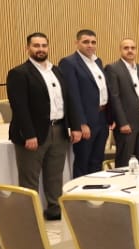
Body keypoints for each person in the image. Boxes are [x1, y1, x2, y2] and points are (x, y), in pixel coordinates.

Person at [6, 33, 82, 220]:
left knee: (55, 175)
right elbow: (20, 107)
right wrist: (28, 134)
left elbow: (68, 100)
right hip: (33, 133)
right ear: (27, 48)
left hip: (59, 130)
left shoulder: (57, 71)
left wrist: (75, 126)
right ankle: (30, 216)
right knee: (30, 178)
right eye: (36, 46)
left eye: (44, 45)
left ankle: (54, 210)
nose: (40, 49)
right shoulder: (19, 73)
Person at [61, 28, 109, 177]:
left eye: (93, 42)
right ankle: (80, 191)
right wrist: (81, 123)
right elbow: (72, 96)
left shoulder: (97, 61)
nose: (90, 45)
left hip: (102, 117)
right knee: (83, 161)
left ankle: (96, 189)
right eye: (86, 42)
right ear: (77, 43)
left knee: (97, 159)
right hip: (86, 120)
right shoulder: (69, 63)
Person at [105, 37, 139, 168]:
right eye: (126, 48)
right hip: (126, 121)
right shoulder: (113, 68)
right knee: (125, 160)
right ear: (120, 50)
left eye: (133, 48)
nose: (130, 51)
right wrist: (122, 122)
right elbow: (114, 98)